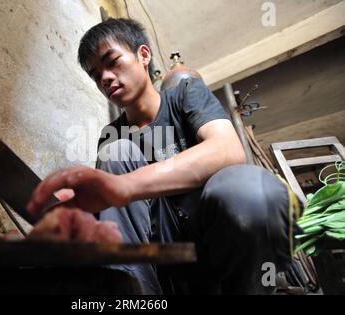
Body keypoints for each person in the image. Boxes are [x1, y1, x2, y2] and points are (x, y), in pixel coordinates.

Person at [26, 18, 302, 294]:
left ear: (143, 55)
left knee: (246, 189)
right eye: (96, 75)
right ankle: (132, 292)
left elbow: (228, 150)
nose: (105, 78)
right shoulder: (112, 135)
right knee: (116, 151)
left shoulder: (186, 94)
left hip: (214, 244)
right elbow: (118, 219)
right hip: (160, 264)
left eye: (112, 63)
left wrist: (123, 186)